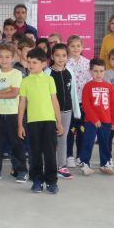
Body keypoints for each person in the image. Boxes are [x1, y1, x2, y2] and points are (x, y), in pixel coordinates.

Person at [18, 47, 63, 194]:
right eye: (29, 62)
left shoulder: (49, 80)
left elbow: (55, 101)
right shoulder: (25, 81)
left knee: (50, 153)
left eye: (35, 62)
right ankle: (37, 180)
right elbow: (22, 103)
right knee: (34, 153)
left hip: (49, 122)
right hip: (32, 123)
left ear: (44, 63)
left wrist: (59, 122)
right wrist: (20, 124)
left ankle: (51, 181)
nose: (31, 65)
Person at [0, 44, 27, 183]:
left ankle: (21, 170)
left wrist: (0, 92)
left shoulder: (16, 74)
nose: (4, 60)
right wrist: (6, 90)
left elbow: (15, 93)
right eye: (1, 56)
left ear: (13, 58)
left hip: (13, 114)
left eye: (7, 57)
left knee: (16, 143)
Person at [45, 43, 81, 180]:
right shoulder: (47, 73)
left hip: (66, 111)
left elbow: (73, 93)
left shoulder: (70, 72)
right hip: (50, 112)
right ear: (52, 56)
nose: (61, 58)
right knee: (50, 139)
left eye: (64, 55)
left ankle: (61, 165)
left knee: (63, 138)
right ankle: (49, 165)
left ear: (68, 57)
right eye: (57, 55)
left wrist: (76, 111)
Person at [80, 59, 114, 176]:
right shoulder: (87, 86)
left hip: (106, 121)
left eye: (101, 71)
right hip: (91, 122)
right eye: (95, 71)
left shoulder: (109, 87)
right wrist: (94, 119)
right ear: (90, 71)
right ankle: (84, 163)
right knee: (88, 142)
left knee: (105, 143)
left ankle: (105, 163)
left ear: (104, 71)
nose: (98, 74)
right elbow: (86, 106)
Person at [66, 35, 90, 167]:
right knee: (70, 130)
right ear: (68, 47)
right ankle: (69, 155)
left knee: (82, 130)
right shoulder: (65, 63)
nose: (75, 48)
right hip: (69, 103)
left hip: (83, 103)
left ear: (82, 47)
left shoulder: (87, 63)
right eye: (72, 46)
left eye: (78, 46)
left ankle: (80, 155)